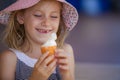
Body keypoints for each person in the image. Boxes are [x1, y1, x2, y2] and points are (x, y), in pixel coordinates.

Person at [0, 0, 79, 80]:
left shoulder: (65, 52)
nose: (46, 23)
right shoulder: (9, 59)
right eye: (38, 15)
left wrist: (66, 75)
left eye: (54, 16)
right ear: (21, 17)